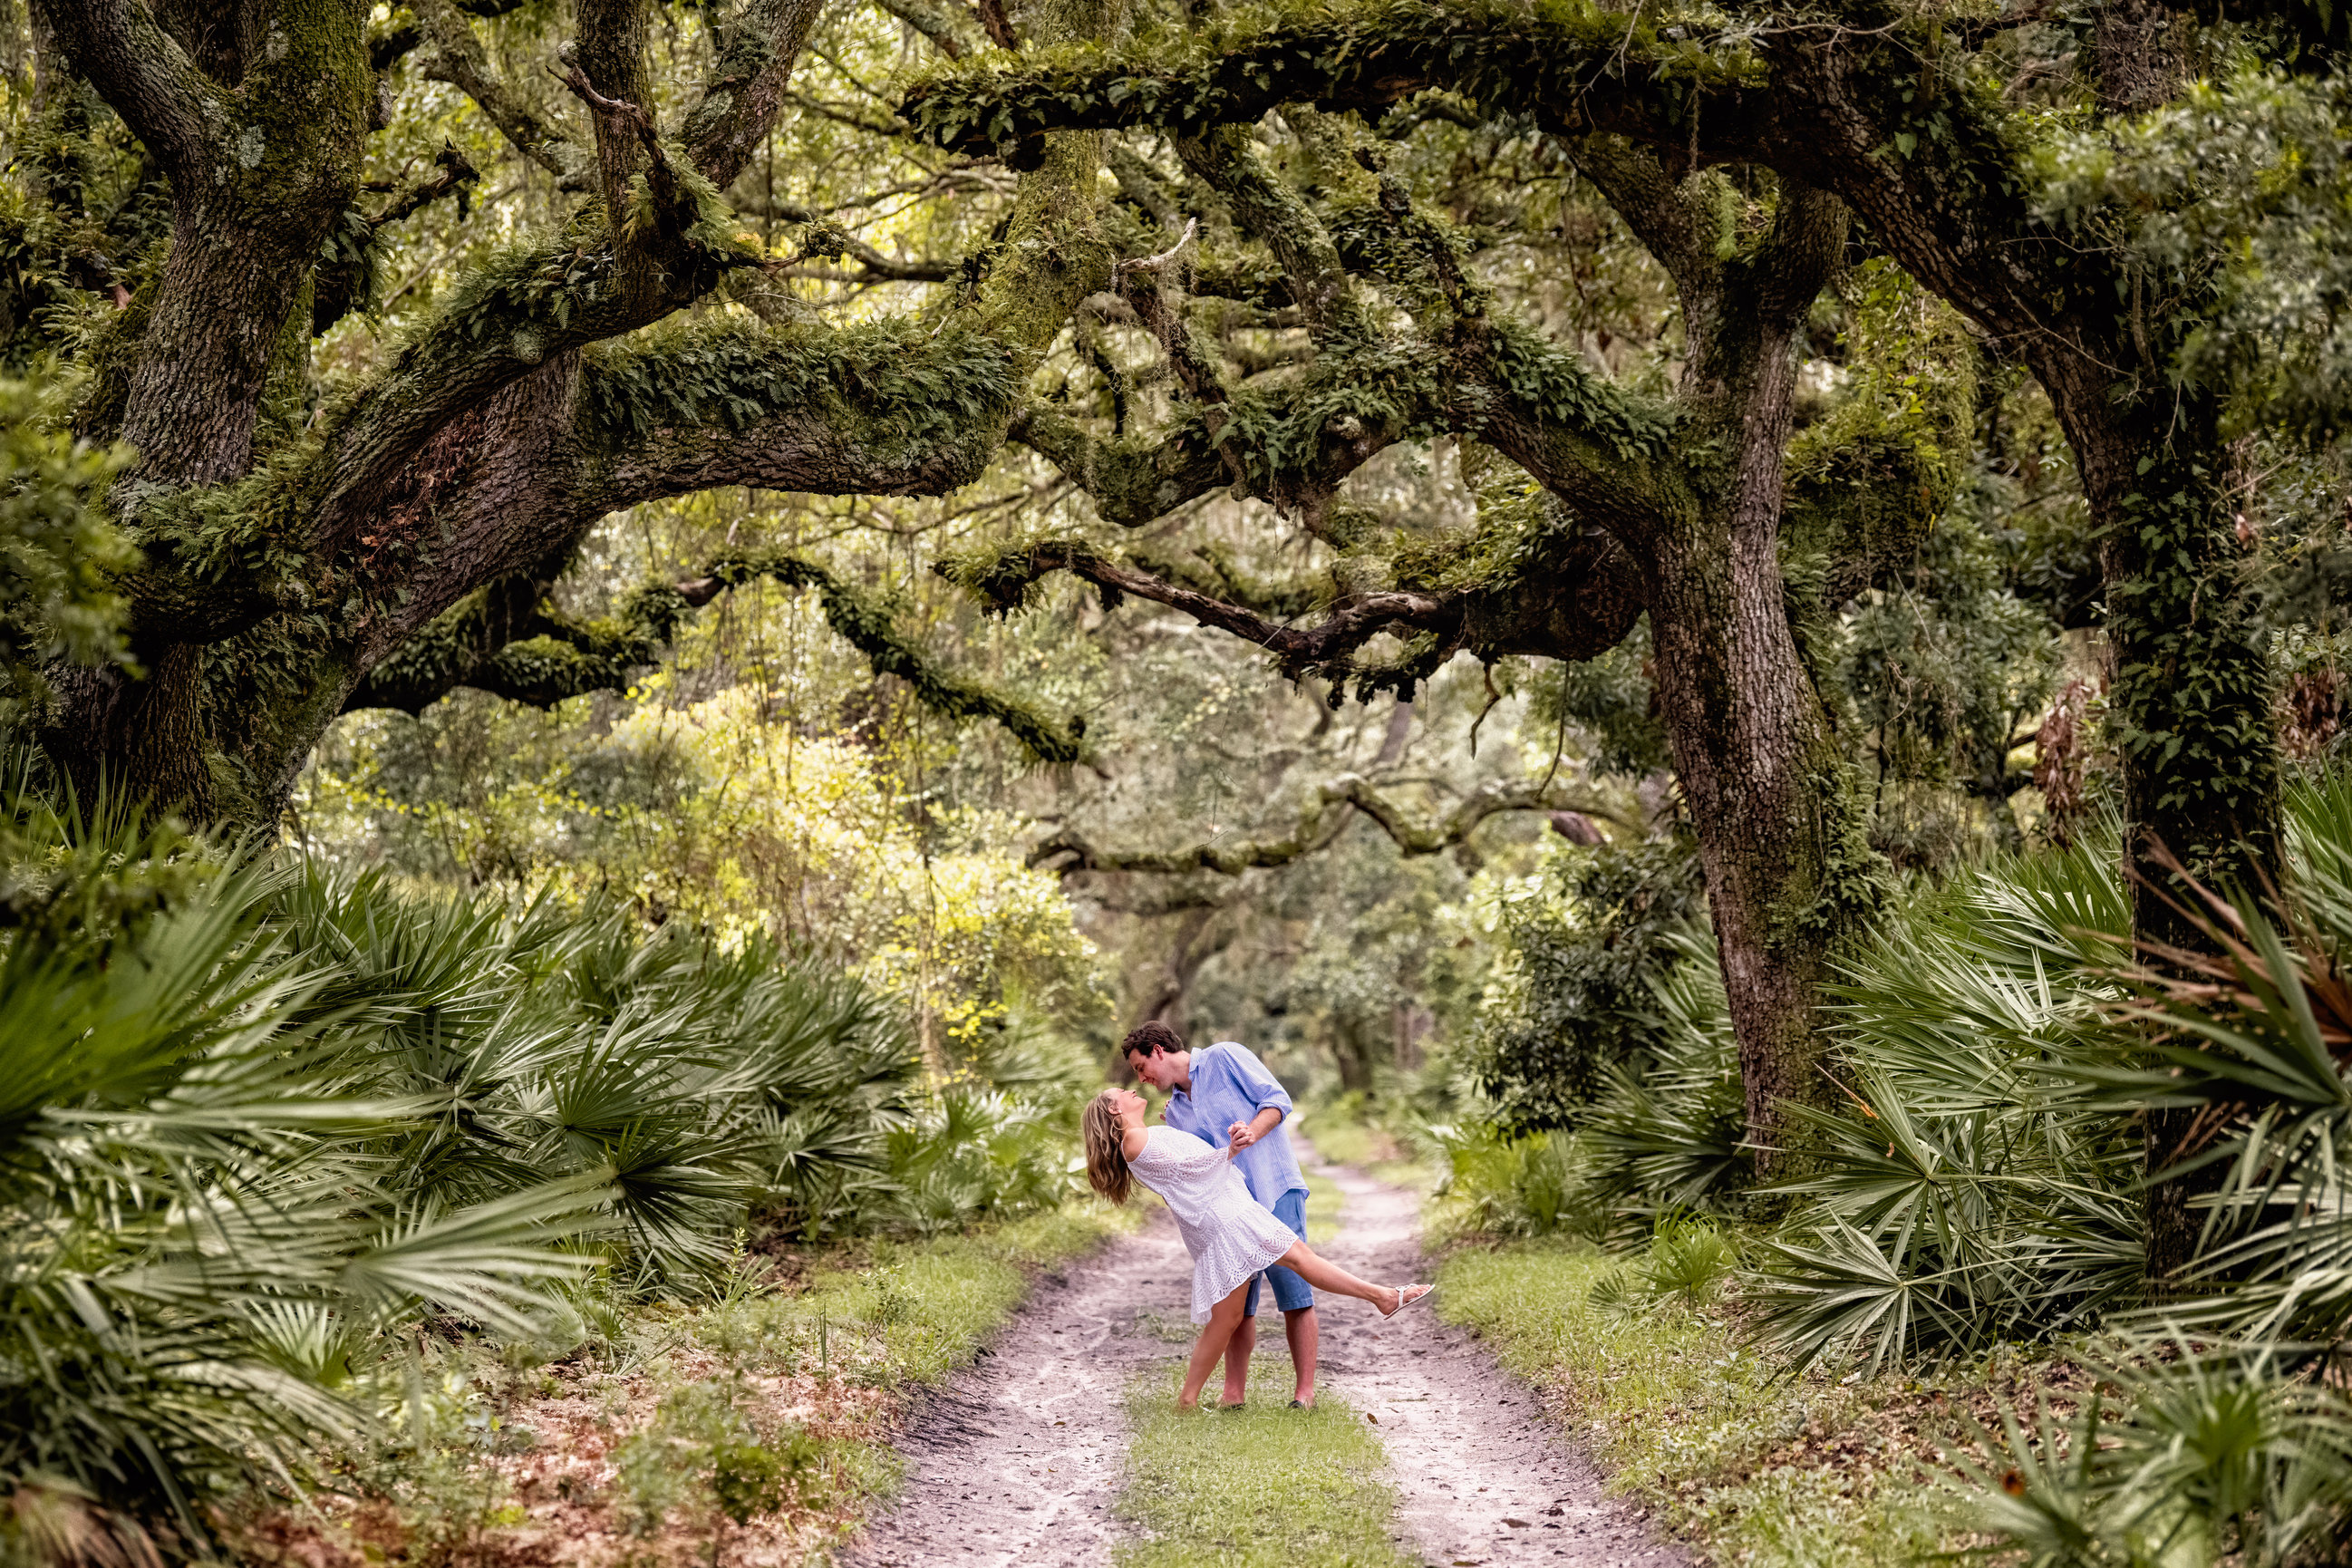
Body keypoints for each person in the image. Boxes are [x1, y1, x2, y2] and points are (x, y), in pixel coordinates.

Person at [1079, 1085, 1430, 1412]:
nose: (1132, 1090)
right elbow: (1189, 1171)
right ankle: (1382, 1297)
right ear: (1114, 1108)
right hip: (1228, 1218)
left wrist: (1182, 1125)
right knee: (1298, 1260)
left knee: (1228, 1318)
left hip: (1223, 1216)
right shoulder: (1136, 1140)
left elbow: (1185, 1164)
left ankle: (1187, 1402)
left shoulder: (1143, 1137)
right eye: (1122, 1093)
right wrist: (1229, 1151)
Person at [1120, 1021, 1317, 1407]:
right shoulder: (1174, 1112)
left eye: (1140, 1067)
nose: (1142, 1078)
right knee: (1239, 1306)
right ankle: (1233, 1395)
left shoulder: (1225, 1056)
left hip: (1273, 1184)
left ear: (1158, 1050)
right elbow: (1198, 1167)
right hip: (1234, 1212)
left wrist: (1252, 1132)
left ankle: (1304, 1393)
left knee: (1294, 1292)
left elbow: (1277, 1099)